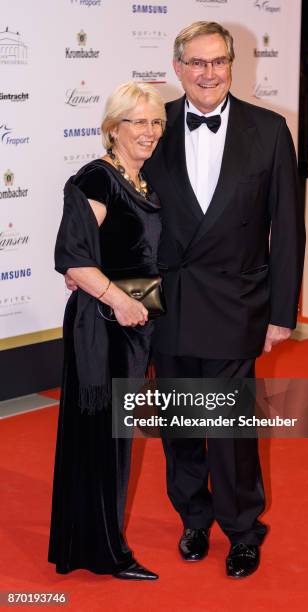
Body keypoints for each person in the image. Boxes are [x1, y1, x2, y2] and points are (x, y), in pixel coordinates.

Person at [144, 21, 305, 578]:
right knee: (179, 422)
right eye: (196, 62)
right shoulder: (151, 125)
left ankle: (242, 528)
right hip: (170, 301)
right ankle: (194, 516)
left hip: (238, 300)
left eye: (218, 62)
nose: (208, 73)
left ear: (232, 65)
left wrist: (281, 313)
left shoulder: (269, 130)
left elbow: (286, 229)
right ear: (177, 67)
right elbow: (128, 215)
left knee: (231, 426)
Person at [48, 82, 166, 580]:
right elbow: (72, 257)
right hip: (103, 327)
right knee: (104, 439)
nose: (149, 131)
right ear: (112, 128)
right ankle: (106, 552)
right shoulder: (97, 179)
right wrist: (119, 301)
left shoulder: (140, 180)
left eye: (156, 121)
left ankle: (88, 542)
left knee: (109, 438)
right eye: (137, 121)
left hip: (132, 325)